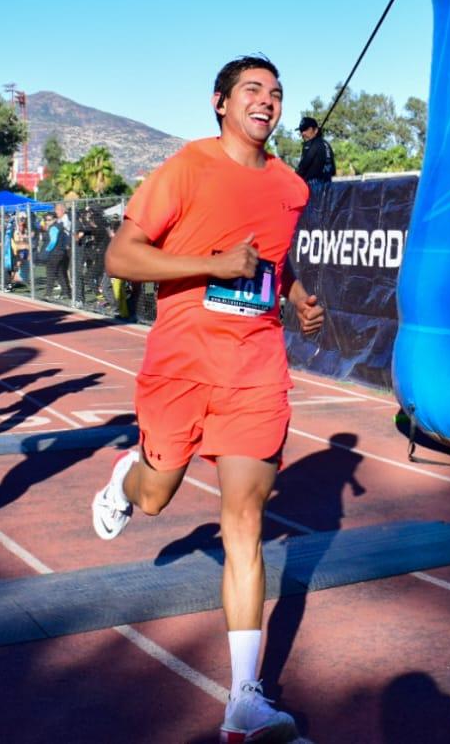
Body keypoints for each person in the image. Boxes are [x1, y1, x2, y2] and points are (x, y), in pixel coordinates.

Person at [91, 55, 324, 742]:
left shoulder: (289, 186)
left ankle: (244, 700)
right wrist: (212, 264)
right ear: (221, 103)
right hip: (181, 365)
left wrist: (297, 296)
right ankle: (125, 483)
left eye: (276, 92)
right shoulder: (187, 168)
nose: (268, 100)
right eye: (253, 89)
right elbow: (121, 258)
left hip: (255, 368)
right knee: (158, 493)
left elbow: (276, 263)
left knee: (244, 524)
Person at [294, 116, 335, 191]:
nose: (303, 133)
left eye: (306, 130)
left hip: (313, 188)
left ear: (315, 130)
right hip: (328, 187)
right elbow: (333, 170)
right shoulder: (326, 144)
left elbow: (302, 168)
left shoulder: (311, 145)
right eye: (301, 130)